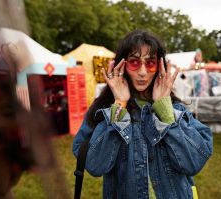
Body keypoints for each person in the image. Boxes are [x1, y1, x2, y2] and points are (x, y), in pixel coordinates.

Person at [72, 30, 213, 199]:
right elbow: (95, 165)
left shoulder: (175, 109)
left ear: (160, 66)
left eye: (150, 63)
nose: (143, 72)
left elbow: (194, 162)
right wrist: (119, 106)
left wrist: (165, 110)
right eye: (134, 62)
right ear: (122, 65)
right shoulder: (103, 110)